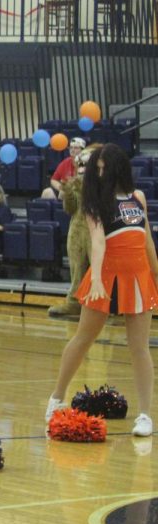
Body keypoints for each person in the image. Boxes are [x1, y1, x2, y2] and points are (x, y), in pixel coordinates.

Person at [45, 144, 154, 438]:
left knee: (139, 348)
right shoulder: (94, 202)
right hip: (105, 275)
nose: (101, 173)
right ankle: (56, 397)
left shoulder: (137, 198)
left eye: (106, 168)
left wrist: (156, 276)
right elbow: (98, 242)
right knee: (83, 339)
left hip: (138, 277)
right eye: (98, 169)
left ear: (120, 167)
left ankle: (145, 414)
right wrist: (95, 280)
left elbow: (147, 243)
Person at [50, 146, 96, 318]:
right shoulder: (77, 183)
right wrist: (68, 191)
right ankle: (75, 301)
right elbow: (70, 208)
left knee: (97, 267)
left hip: (97, 228)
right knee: (77, 268)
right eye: (80, 163)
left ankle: (103, 304)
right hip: (77, 227)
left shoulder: (106, 183)